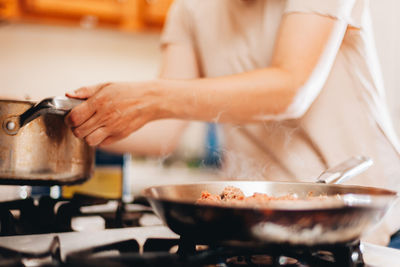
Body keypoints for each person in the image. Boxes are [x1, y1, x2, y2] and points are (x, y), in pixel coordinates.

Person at [65, 0, 400, 246]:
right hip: (258, 231)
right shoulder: (189, 9)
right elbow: (162, 134)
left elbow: (290, 90)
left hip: (365, 225)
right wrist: (64, 121)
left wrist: (150, 98)